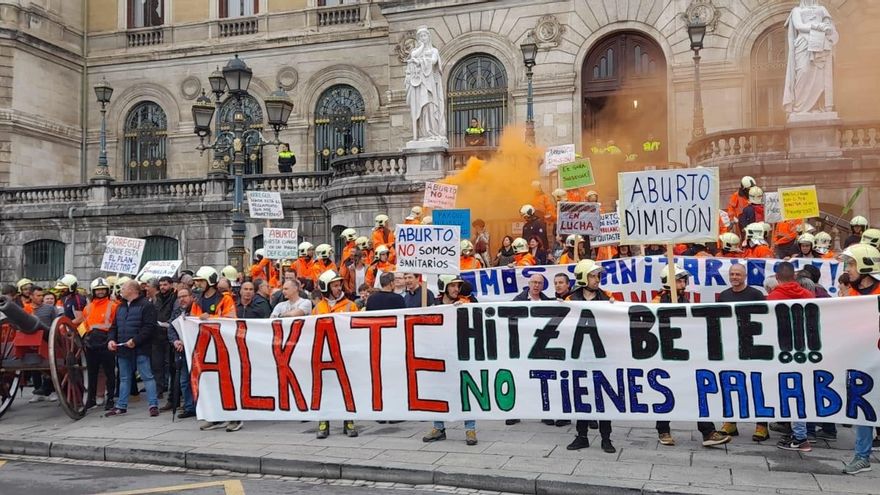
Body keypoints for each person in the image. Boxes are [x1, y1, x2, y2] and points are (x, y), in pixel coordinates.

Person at [651, 265, 732, 448]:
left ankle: (708, 432)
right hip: (666, 356)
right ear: (669, 282)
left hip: (686, 355)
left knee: (697, 391)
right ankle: (663, 430)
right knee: (666, 393)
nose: (683, 284)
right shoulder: (656, 302)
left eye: (684, 280)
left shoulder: (684, 300)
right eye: (679, 281)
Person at [564, 259, 618, 453]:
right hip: (580, 355)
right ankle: (582, 436)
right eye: (593, 276)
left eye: (598, 275)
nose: (597, 279)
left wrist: (614, 307)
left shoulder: (608, 297)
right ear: (582, 277)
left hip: (602, 355)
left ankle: (606, 438)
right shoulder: (570, 300)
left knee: (604, 396)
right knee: (581, 395)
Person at [839, 244, 880, 474]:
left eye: (852, 263)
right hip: (862, 360)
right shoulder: (852, 294)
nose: (848, 268)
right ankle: (862, 456)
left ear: (866, 265)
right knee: (864, 407)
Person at [767, 262, 816, 453]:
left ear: (777, 278)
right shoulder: (808, 295)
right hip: (806, 350)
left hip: (784, 351)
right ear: (794, 277)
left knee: (791, 392)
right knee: (802, 390)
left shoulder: (774, 297)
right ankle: (802, 432)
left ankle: (800, 437)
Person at [423, 275, 477, 446]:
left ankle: (470, 429)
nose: (456, 289)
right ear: (444, 287)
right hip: (440, 354)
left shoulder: (466, 303)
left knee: (466, 391)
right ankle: (438, 427)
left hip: (461, 354)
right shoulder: (433, 305)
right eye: (452, 286)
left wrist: (465, 310)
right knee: (437, 392)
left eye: (458, 286)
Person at [717, 264, 769, 441]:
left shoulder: (756, 295)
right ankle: (730, 423)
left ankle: (762, 425)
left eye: (738, 274)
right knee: (730, 383)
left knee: (757, 384)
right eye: (732, 274)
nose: (734, 277)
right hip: (731, 347)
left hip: (753, 347)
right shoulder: (723, 296)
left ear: (745, 276)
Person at [191, 267, 240, 432]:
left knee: (228, 381)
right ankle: (216, 416)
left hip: (224, 345)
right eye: (196, 281)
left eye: (201, 281)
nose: (197, 284)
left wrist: (209, 318)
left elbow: (231, 319)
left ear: (210, 281)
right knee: (210, 381)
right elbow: (193, 320)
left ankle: (235, 417)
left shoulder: (225, 299)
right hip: (206, 346)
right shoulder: (197, 300)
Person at [312, 270, 359, 439]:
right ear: (326, 288)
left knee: (347, 388)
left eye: (339, 285)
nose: (339, 288)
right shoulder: (318, 308)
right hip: (324, 354)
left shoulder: (350, 305)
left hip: (345, 353)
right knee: (324, 390)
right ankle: (323, 423)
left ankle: (349, 421)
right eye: (335, 285)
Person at [105, 280, 160, 418]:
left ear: (132, 290)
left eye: (123, 288)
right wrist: (111, 339)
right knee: (124, 378)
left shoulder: (146, 305)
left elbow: (149, 327)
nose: (121, 290)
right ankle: (121, 405)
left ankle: (153, 405)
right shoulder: (120, 307)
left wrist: (135, 341)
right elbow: (114, 327)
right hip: (123, 348)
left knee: (147, 376)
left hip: (140, 348)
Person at [81, 277, 119, 411]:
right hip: (91, 343)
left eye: (103, 289)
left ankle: (110, 399)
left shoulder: (113, 306)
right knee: (92, 373)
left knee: (109, 373)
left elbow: (115, 325)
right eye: (98, 290)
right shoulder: (87, 308)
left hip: (106, 341)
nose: (100, 292)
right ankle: (91, 399)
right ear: (93, 291)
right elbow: (84, 325)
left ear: (107, 290)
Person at [167, 287, 196, 419]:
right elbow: (171, 328)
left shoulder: (197, 310)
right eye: (179, 297)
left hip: (196, 351)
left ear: (191, 297)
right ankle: (189, 407)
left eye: (184, 296)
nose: (182, 299)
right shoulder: (177, 312)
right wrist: (175, 341)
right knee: (184, 381)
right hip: (182, 351)